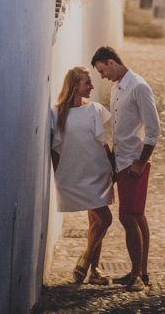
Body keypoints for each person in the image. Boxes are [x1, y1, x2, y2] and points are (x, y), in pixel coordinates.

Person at [91, 45, 160, 293]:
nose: (102, 76)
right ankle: (140, 272)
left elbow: (154, 129)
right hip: (121, 163)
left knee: (127, 216)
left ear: (111, 62)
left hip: (133, 163)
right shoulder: (116, 90)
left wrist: (140, 162)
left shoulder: (139, 87)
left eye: (102, 70)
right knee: (137, 215)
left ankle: (137, 278)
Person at [50, 66, 115, 285]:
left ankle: (93, 270)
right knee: (105, 218)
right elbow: (55, 149)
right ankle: (87, 259)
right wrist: (59, 176)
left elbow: (102, 142)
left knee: (96, 220)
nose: (92, 86)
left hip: (97, 172)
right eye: (87, 83)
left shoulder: (94, 109)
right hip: (76, 174)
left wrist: (113, 169)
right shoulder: (57, 113)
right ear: (75, 85)